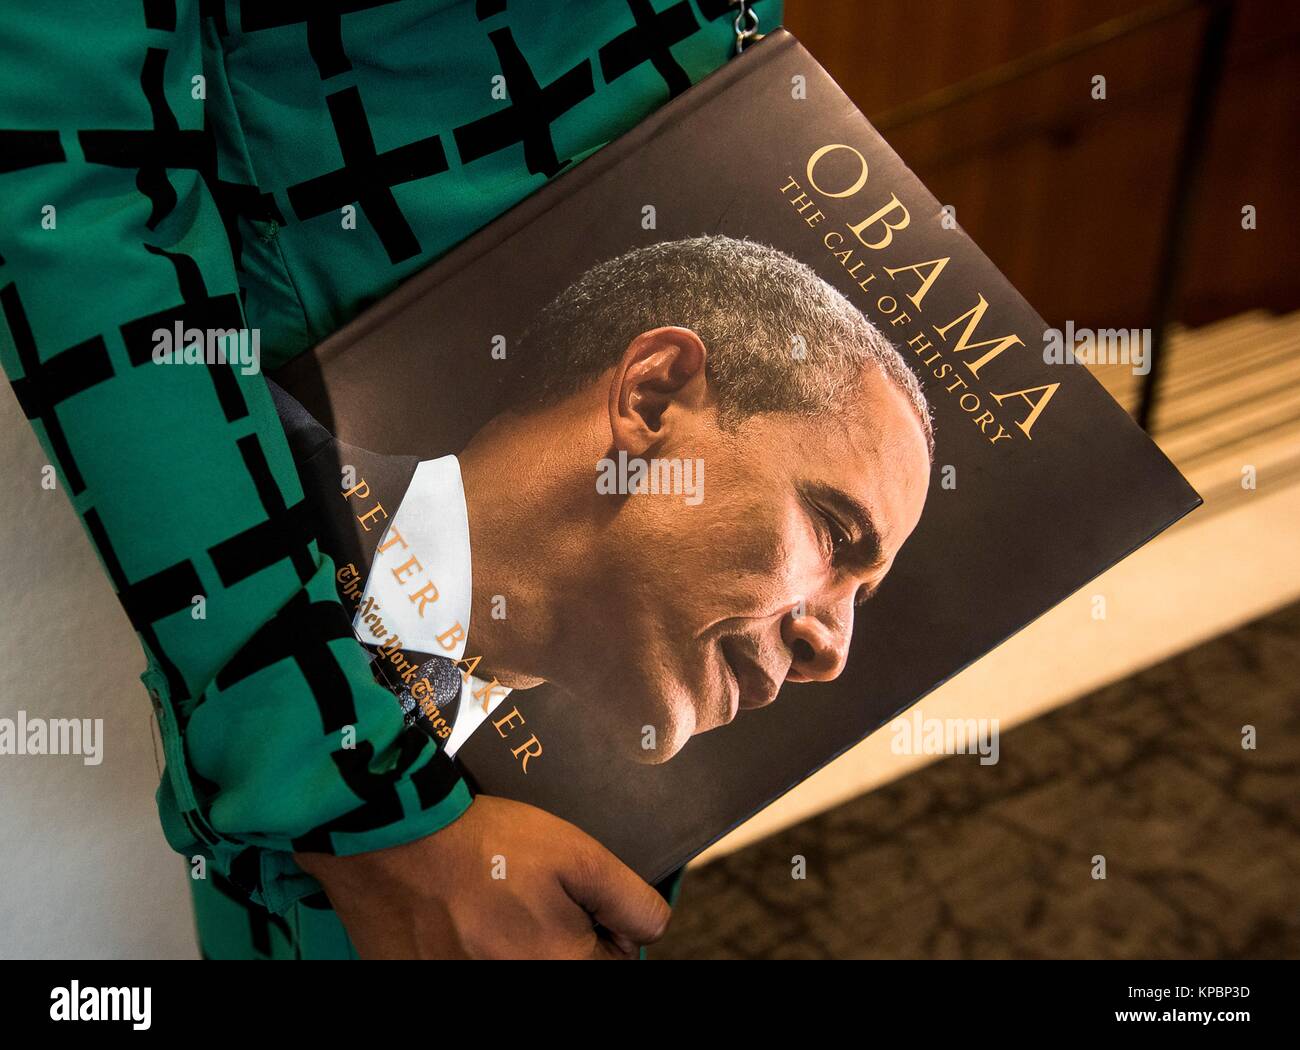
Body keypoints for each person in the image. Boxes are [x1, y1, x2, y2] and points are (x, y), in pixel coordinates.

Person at [0, 1, 795, 959]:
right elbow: (76, 173)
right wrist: (353, 799)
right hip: (341, 673)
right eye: (836, 534)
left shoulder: (647, 661)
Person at [272, 235, 933, 774]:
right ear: (654, 396)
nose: (832, 654)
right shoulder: (205, 423)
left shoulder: (518, 896)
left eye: (860, 596)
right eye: (835, 534)